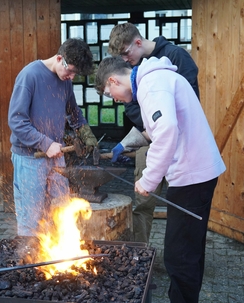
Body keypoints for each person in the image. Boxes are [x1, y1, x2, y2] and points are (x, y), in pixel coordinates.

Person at [95, 55, 226, 303]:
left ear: (113, 80)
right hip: (197, 174)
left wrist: (147, 180)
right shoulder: (155, 79)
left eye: (108, 92)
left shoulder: (151, 84)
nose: (113, 98)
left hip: (191, 177)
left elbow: (166, 130)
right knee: (190, 250)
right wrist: (123, 145)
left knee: (179, 257)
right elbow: (153, 129)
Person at [107, 22, 200, 243]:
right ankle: (141, 252)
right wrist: (140, 134)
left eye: (125, 53)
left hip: (179, 145)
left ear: (138, 42)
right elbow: (131, 108)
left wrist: (156, 120)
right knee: (143, 201)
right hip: (149, 144)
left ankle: (179, 253)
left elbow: (185, 105)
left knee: (180, 202)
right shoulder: (132, 71)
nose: (125, 60)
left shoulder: (176, 56)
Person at [8, 38, 97, 237]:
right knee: (31, 219)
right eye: (71, 71)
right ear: (59, 58)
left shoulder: (65, 81)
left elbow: (73, 112)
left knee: (60, 213)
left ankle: (57, 264)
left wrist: (86, 134)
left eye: (76, 74)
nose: (72, 77)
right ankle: (29, 264)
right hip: (31, 158)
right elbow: (16, 121)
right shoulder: (30, 76)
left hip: (56, 157)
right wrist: (45, 143)